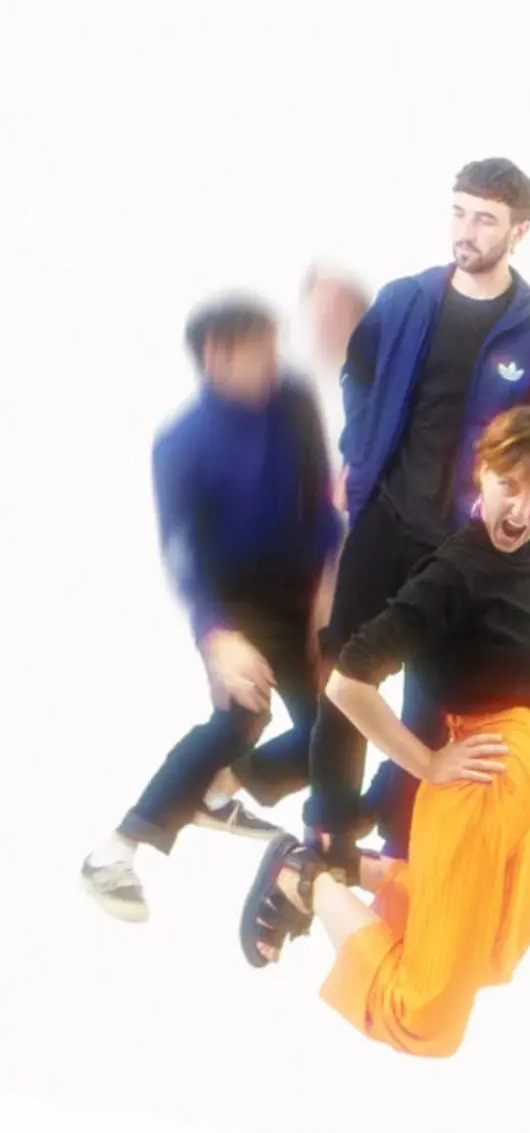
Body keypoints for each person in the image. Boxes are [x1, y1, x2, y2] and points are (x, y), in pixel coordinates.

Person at [236, 405, 530, 1058]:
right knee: (425, 1015)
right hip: (480, 782)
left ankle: (348, 865)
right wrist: (427, 763)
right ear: (482, 471)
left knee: (499, 949)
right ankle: (301, 873)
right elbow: (348, 683)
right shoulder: (453, 574)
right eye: (510, 485)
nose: (522, 510)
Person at [309, 157, 530, 869]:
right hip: (386, 518)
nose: (467, 230)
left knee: (434, 697)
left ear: (520, 231)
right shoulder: (404, 299)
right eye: (459, 212)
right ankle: (328, 831)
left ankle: (403, 845)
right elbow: (358, 375)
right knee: (345, 671)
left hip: (462, 545)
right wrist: (360, 453)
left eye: (485, 219)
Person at [80, 296, 342, 921]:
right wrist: (218, 635)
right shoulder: (181, 442)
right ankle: (114, 853)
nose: (273, 360)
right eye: (258, 351)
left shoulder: (293, 399)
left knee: (335, 727)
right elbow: (181, 555)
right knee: (239, 717)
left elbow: (319, 500)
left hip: (305, 588)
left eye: (274, 345)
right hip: (235, 603)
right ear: (215, 356)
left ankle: (222, 792)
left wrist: (326, 594)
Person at [296, 263, 372, 502]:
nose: (326, 316)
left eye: (338, 307)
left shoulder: (379, 386)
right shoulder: (284, 381)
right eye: (320, 305)